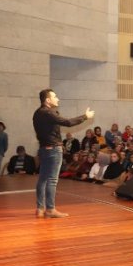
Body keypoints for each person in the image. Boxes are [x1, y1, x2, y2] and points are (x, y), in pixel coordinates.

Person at [32, 89, 94, 218]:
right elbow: (68, 123)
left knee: (42, 179)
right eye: (55, 96)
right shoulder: (49, 113)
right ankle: (50, 209)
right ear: (47, 100)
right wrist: (85, 116)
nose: (57, 99)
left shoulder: (37, 113)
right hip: (54, 149)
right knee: (52, 180)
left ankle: (40, 208)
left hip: (43, 149)